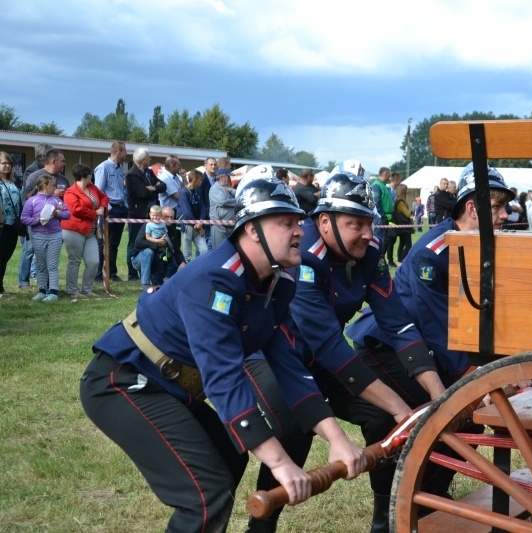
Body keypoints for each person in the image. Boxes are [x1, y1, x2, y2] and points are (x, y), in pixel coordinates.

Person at [80, 177, 367, 533]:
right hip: (122, 381)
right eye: (286, 222)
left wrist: (337, 440)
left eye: (298, 221)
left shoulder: (276, 283)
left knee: (230, 456)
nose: (299, 231)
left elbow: (287, 366)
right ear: (250, 230)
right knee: (204, 494)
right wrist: (279, 462)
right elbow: (224, 377)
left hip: (167, 385)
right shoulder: (214, 280)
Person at [247, 172, 446, 533]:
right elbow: (330, 346)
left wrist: (439, 396)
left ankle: (383, 522)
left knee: (381, 419)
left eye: (370, 223)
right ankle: (260, 527)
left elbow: (399, 325)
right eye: (356, 224)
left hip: (319, 357)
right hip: (272, 356)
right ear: (324, 222)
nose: (368, 234)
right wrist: (403, 410)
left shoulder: (369, 252)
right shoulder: (304, 255)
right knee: (296, 426)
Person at [346, 162, 518, 511]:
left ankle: (430, 497)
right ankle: (410, 503)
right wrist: (475, 381)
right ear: (473, 208)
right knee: (444, 412)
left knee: (465, 414)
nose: (504, 216)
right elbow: (434, 324)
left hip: (425, 348)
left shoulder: (483, 246)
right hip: (387, 345)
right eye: (498, 207)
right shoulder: (433, 251)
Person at [61, 164, 108, 300]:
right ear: (84, 176)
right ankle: (72, 290)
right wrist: (95, 213)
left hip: (91, 231)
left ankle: (87, 290)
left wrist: (102, 208)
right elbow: (76, 209)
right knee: (74, 261)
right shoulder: (70, 192)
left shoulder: (92, 187)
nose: (91, 177)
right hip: (73, 230)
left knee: (93, 261)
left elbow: (104, 197)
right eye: (89, 174)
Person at [21, 174, 70, 302]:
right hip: (38, 235)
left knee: (52, 264)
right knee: (41, 264)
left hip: (55, 235)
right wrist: (36, 220)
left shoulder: (56, 200)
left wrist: (56, 213)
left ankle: (53, 291)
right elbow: (24, 217)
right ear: (45, 185)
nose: (56, 188)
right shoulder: (32, 201)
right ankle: (42, 290)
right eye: (54, 185)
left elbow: (67, 214)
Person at [126, 148, 166, 282]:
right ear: (143, 160)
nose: (150, 159)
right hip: (137, 213)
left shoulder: (149, 172)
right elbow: (142, 193)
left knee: (152, 241)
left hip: (151, 215)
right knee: (135, 242)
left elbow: (163, 186)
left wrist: (153, 188)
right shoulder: (131, 175)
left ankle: (151, 271)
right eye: (149, 157)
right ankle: (132, 274)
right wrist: (152, 189)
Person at [18, 143, 52, 290]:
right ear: (43, 157)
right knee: (29, 249)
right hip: (32, 217)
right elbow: (27, 194)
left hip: (44, 218)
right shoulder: (31, 171)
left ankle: (41, 280)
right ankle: (23, 281)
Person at [94, 141, 128, 282]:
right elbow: (98, 191)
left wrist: (124, 205)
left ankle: (112, 273)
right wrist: (107, 209)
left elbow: (121, 190)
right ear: (119, 152)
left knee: (114, 243)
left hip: (120, 208)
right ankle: (98, 275)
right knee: (103, 242)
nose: (127, 154)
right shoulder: (103, 168)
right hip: (109, 209)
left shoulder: (120, 168)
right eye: (125, 151)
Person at [0, 152, 22, 296]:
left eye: (9, 163)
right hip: (1, 224)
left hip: (13, 224)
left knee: (5, 256)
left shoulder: (14, 181)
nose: (7, 166)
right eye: (3, 163)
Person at [177, 169, 209, 259]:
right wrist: (197, 225)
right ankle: (186, 272)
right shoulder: (184, 193)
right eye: (200, 180)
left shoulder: (197, 192)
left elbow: (203, 208)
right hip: (187, 226)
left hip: (198, 225)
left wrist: (201, 221)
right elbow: (186, 212)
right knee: (187, 254)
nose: (201, 182)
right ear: (195, 179)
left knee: (204, 250)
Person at [386, 183, 414, 265]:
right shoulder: (400, 202)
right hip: (404, 226)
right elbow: (407, 214)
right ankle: (402, 260)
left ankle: (400, 260)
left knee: (402, 244)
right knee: (408, 245)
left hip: (401, 226)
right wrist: (411, 211)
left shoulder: (396, 200)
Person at [209, 170, 236, 248]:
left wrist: (231, 190)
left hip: (228, 225)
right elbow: (222, 202)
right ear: (222, 177)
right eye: (228, 176)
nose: (229, 178)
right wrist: (236, 201)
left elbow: (238, 194)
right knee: (218, 250)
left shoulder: (226, 187)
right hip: (219, 225)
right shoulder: (215, 188)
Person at [370, 166, 393, 246]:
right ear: (385, 174)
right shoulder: (377, 185)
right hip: (380, 218)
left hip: (384, 217)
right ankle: (377, 257)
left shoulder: (383, 185)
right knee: (379, 239)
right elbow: (376, 201)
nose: (390, 177)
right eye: (389, 174)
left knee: (384, 240)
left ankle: (381, 257)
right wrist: (382, 215)